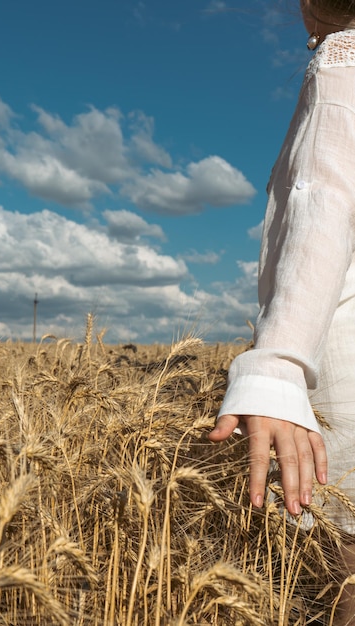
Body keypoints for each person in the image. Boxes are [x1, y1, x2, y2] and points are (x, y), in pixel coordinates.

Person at [209, 1, 355, 623]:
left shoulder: (345, 60)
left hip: (337, 346)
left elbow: (325, 197)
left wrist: (276, 365)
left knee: (342, 563)